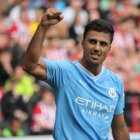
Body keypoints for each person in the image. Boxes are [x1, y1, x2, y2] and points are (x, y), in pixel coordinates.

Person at [22, 7, 130, 140]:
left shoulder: (116, 82)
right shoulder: (64, 71)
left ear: (109, 49)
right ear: (83, 44)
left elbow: (119, 130)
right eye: (92, 41)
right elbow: (29, 65)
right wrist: (43, 27)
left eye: (103, 44)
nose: (97, 48)